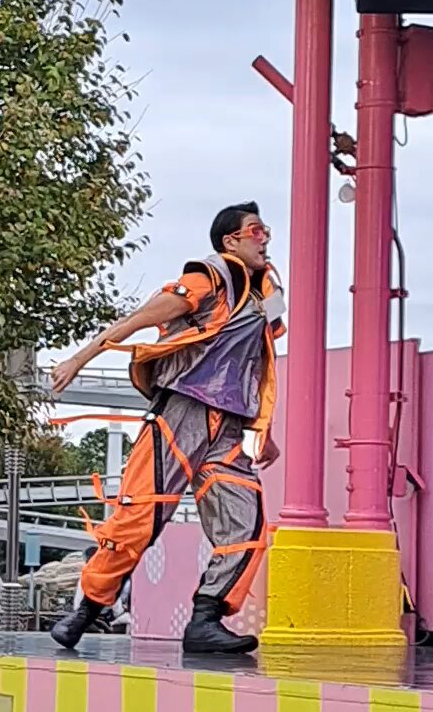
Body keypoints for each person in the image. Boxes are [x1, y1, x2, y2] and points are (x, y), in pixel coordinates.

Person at [50, 202, 285, 656]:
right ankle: (87, 609)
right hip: (181, 412)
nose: (265, 239)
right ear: (230, 241)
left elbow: (260, 363)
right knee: (140, 514)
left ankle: (206, 619)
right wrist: (78, 359)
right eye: (256, 231)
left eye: (266, 230)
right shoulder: (209, 278)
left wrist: (265, 430)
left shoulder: (267, 296)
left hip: (228, 426)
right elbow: (136, 319)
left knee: (247, 523)